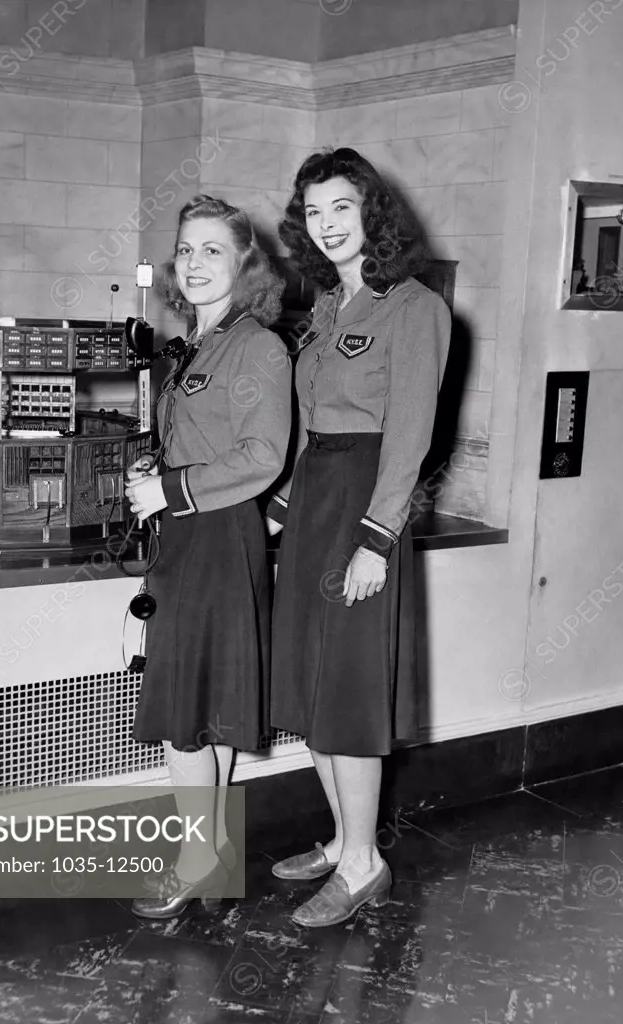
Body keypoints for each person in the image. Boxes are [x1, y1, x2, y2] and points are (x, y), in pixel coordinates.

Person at [266, 148, 451, 928]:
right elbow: (308, 434)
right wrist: (277, 515)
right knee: (314, 689)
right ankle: (345, 839)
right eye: (313, 212)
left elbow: (409, 435)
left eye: (341, 206)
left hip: (365, 509)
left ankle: (363, 864)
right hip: (315, 504)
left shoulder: (414, 308)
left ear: (370, 212)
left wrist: (376, 540)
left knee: (348, 693)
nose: (327, 224)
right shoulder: (324, 311)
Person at [125, 195, 291, 920]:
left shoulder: (255, 345)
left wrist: (167, 488)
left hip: (216, 540)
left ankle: (194, 860)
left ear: (245, 265)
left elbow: (263, 456)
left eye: (212, 250)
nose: (193, 263)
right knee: (205, 711)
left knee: (184, 714)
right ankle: (212, 851)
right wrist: (154, 478)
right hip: (189, 537)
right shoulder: (199, 340)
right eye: (185, 250)